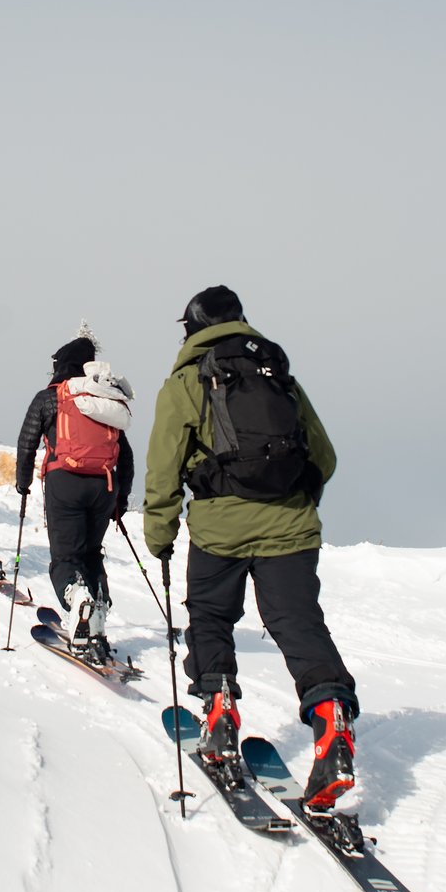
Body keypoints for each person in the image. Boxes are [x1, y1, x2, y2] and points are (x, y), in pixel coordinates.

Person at [142, 285, 359, 809]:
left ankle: (218, 710)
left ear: (191, 327)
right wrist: (296, 495)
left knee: (211, 617)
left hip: (220, 529)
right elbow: (323, 455)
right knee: (298, 624)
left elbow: (164, 464)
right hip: (291, 526)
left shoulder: (186, 381)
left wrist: (161, 532)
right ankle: (331, 720)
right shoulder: (276, 372)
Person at [14, 336, 135, 654]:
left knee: (66, 558)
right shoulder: (105, 399)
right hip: (104, 487)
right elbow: (126, 456)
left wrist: (22, 482)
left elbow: (27, 440)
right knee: (92, 554)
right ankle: (97, 620)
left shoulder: (51, 397)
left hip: (64, 482)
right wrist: (120, 500)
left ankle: (77, 598)